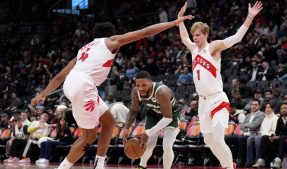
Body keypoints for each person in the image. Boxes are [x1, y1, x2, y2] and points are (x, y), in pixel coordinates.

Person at [31, 9, 193, 169]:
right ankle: (63, 167)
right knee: (89, 137)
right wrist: (173, 23)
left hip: (73, 83)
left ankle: (99, 163)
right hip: (84, 85)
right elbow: (144, 32)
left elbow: (60, 76)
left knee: (108, 122)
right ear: (110, 34)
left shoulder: (84, 50)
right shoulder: (110, 41)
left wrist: (44, 94)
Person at [177, 1, 263, 169]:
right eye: (194, 35)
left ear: (206, 34)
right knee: (209, 140)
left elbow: (236, 38)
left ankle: (229, 167)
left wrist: (250, 17)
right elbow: (184, 38)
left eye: (198, 35)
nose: (195, 37)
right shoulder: (194, 49)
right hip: (203, 102)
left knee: (217, 138)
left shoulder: (213, 47)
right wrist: (180, 20)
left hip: (217, 99)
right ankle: (227, 164)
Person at [123, 71, 182, 169]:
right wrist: (126, 127)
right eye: (138, 85)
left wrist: (147, 133)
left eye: (144, 85)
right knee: (148, 145)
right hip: (153, 114)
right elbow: (133, 110)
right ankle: (142, 166)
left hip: (171, 114)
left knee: (167, 146)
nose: (141, 88)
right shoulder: (135, 92)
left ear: (150, 82)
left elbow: (167, 118)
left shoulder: (161, 91)